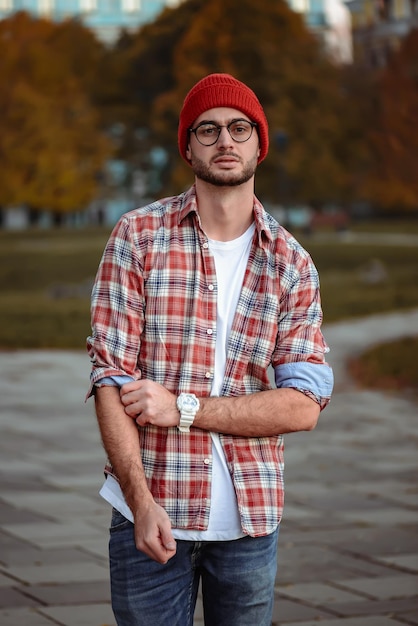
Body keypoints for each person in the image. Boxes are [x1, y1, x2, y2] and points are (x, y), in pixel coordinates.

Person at [86, 73, 334, 626]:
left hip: (250, 523)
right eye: (209, 129)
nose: (226, 141)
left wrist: (184, 407)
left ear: (259, 143)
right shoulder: (139, 238)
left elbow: (302, 406)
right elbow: (110, 380)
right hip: (150, 517)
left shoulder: (290, 263)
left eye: (239, 128)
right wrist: (141, 502)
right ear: (188, 146)